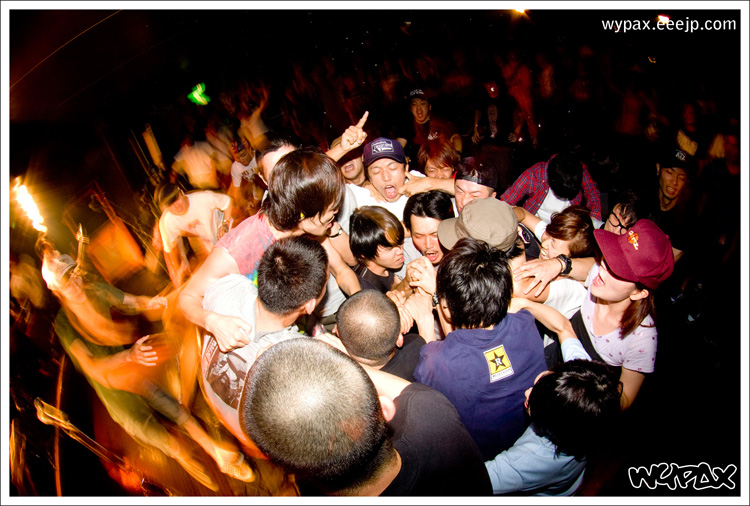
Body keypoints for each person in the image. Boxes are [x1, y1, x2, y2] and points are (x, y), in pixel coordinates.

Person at [42, 250, 253, 490]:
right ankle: (186, 462)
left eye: (75, 274)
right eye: (66, 282)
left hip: (134, 372)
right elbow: (92, 366)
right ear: (57, 291)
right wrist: (127, 356)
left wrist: (152, 302)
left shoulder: (94, 290)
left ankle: (219, 456)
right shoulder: (63, 324)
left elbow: (131, 301)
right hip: (118, 396)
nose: (75, 283)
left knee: (178, 412)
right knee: (170, 444)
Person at [239, 338, 492, 496]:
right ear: (384, 410)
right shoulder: (434, 419)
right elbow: (407, 392)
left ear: (274, 461)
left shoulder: (305, 489)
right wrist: (341, 359)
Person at [178, 147, 350, 353]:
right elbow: (187, 297)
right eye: (331, 208)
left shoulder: (309, 227)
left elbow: (342, 268)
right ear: (303, 212)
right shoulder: (242, 246)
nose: (336, 212)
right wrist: (212, 321)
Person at [414, 237, 547, 460]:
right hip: (525, 439)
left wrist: (425, 319)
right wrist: (440, 296)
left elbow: (437, 360)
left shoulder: (437, 362)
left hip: (477, 459)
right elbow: (464, 342)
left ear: (446, 308)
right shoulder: (525, 323)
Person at [200, 236, 329, 452]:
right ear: (309, 305)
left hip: (220, 412)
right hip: (259, 443)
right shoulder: (301, 357)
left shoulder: (229, 288)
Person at [559, 219, 675, 410]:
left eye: (617, 269)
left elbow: (624, 400)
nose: (603, 267)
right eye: (610, 256)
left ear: (638, 293)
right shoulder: (599, 275)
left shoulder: (642, 340)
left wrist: (580, 402)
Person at [485, 360, 622, 496]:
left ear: (551, 422)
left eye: (532, 402)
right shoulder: (593, 410)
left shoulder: (526, 462)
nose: (527, 392)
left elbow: (478, 481)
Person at [335, 289, 430, 381]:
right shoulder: (416, 350)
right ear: (399, 340)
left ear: (337, 332)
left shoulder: (337, 376)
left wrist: (388, 313)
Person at [156, 183, 233, 289]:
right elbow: (170, 249)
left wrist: (225, 223)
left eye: (176, 199)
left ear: (181, 193)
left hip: (227, 232)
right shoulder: (168, 222)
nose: (176, 206)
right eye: (171, 205)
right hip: (211, 242)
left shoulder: (202, 198)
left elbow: (228, 202)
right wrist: (180, 267)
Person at [501, 153, 603, 224]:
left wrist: (594, 216)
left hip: (564, 226)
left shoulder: (577, 169)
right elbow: (506, 201)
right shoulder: (536, 173)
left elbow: (592, 191)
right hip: (534, 223)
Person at [349, 206, 405, 293]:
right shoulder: (365, 289)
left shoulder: (389, 265)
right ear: (365, 253)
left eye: (400, 242)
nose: (400, 250)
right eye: (389, 248)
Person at [402, 190, 456, 266]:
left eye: (435, 235)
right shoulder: (404, 252)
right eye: (419, 236)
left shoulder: (466, 251)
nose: (428, 245)